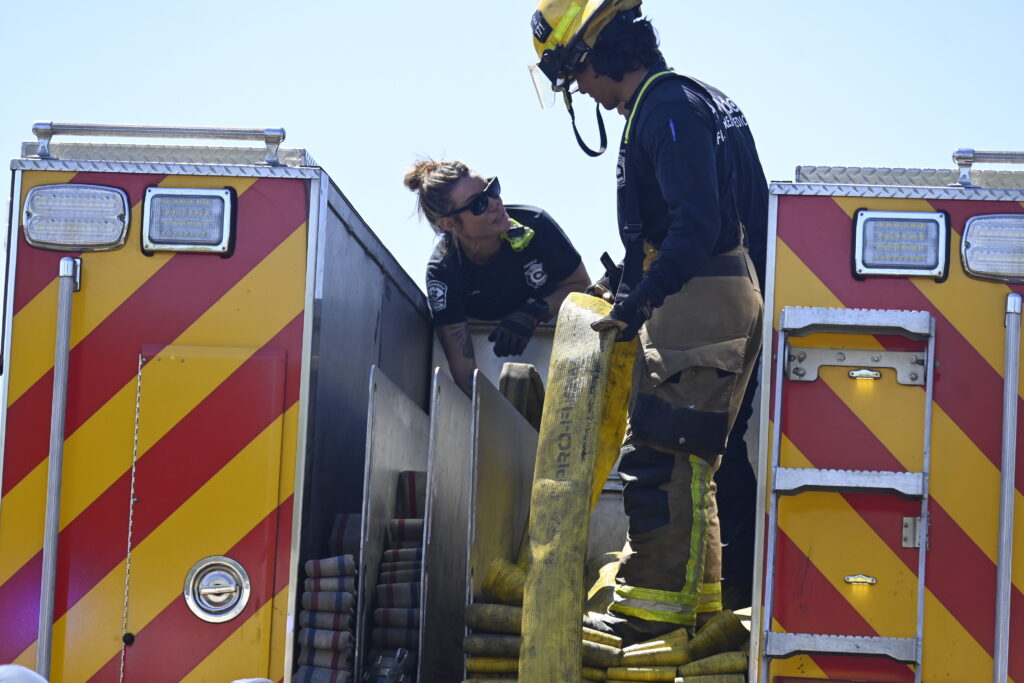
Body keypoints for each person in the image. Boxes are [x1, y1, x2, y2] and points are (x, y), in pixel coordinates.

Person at [531, 0, 767, 639]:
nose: (581, 90)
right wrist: (626, 286)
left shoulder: (665, 109)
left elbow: (695, 227)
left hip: (698, 299)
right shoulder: (683, 101)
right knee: (691, 466)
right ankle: (696, 606)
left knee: (661, 459)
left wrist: (641, 300)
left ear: (601, 56)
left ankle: (645, 615)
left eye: (576, 75)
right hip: (711, 292)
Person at [404, 160, 590, 396]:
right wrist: (490, 412)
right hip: (496, 380)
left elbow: (581, 286)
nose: (495, 203)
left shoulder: (536, 225)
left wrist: (535, 311)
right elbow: (463, 367)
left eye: (492, 190)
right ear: (449, 223)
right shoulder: (443, 271)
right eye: (478, 204)